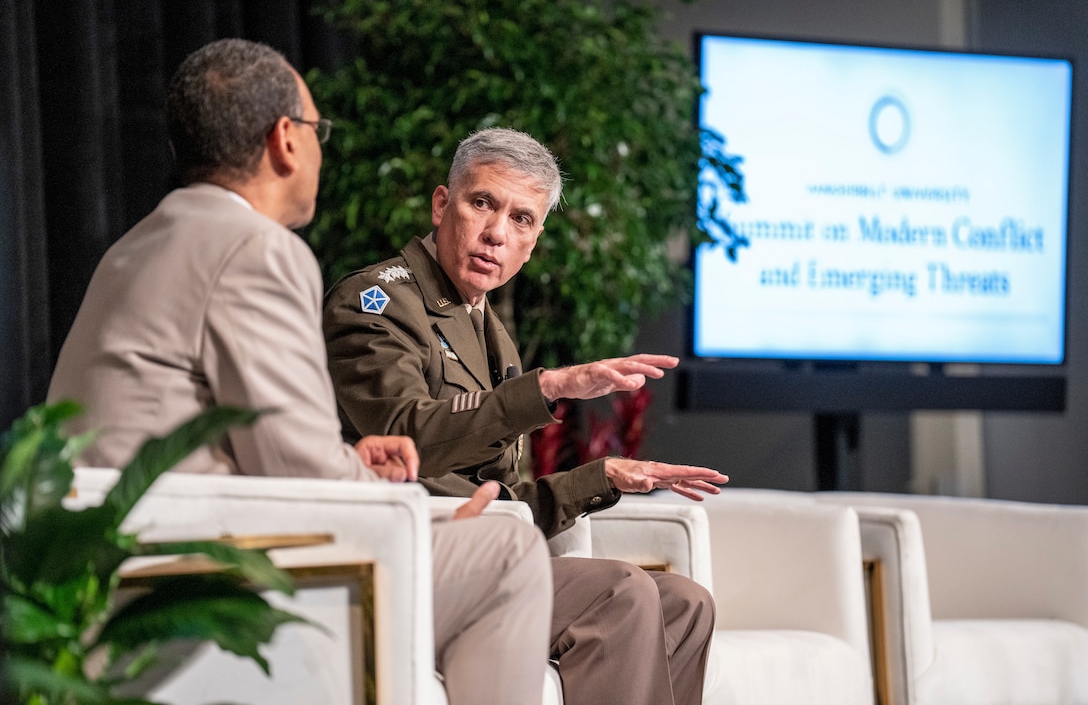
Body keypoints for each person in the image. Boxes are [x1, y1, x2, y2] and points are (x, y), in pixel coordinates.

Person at [46, 39, 552, 705]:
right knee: (506, 555)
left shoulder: (134, 245)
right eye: (319, 131)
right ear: (286, 140)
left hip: (103, 569)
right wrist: (420, 515)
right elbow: (300, 475)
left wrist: (351, 461)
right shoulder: (257, 250)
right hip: (193, 576)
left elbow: (241, 440)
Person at [323, 127, 730, 705]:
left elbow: (507, 504)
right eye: (482, 203)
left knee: (686, 605)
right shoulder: (377, 303)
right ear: (443, 205)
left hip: (487, 556)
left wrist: (604, 476)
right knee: (619, 593)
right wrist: (551, 385)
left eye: (521, 220)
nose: (496, 233)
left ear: (533, 242)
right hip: (409, 560)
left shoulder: (489, 332)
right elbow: (407, 437)